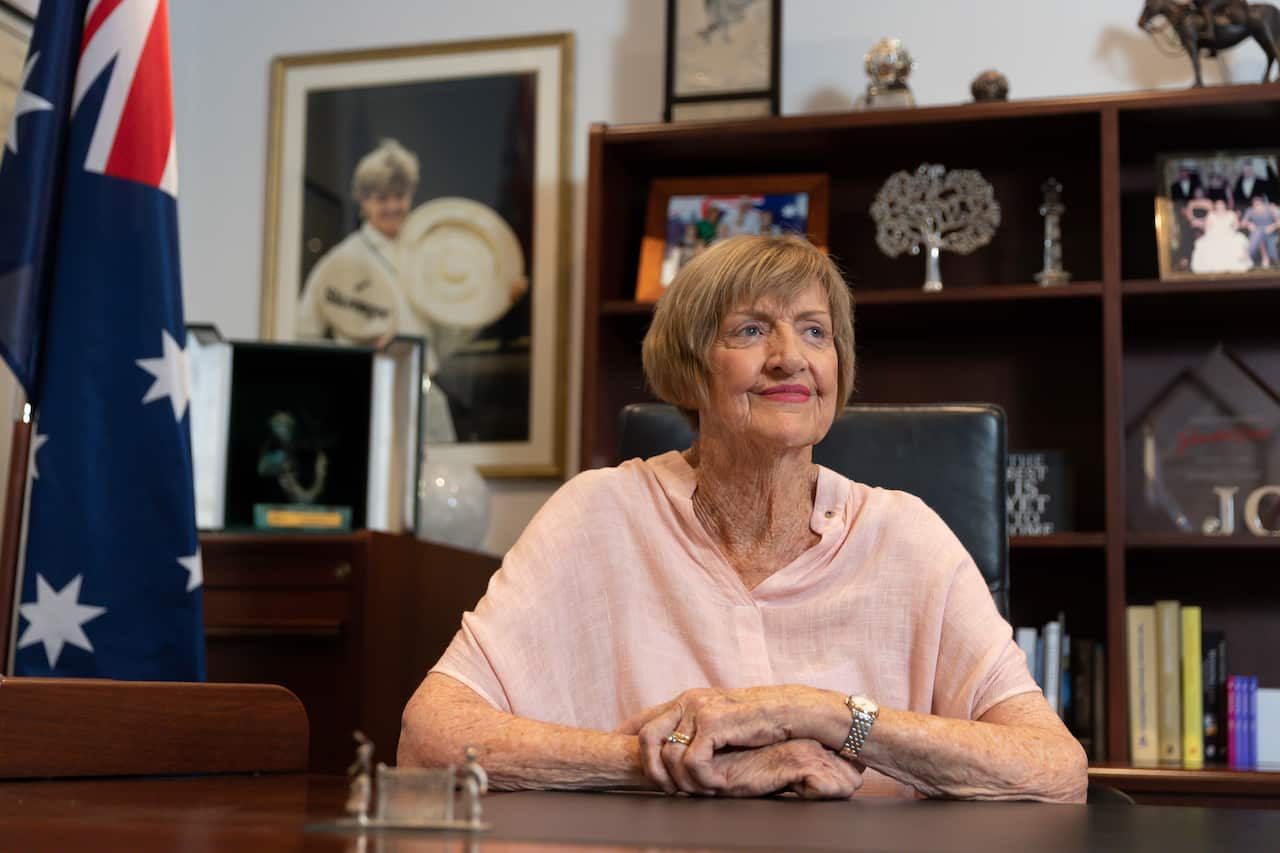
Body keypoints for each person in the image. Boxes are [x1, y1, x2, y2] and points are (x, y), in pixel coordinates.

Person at [399, 234, 1087, 803]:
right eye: (752, 329)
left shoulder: (907, 536)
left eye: (814, 331)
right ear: (691, 367)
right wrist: (682, 762)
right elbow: (427, 739)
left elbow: (1054, 768)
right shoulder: (596, 515)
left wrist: (816, 713)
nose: (791, 355)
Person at [296, 139, 527, 442]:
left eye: (399, 195)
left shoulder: (426, 253)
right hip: (364, 394)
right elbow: (304, 339)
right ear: (362, 200)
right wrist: (356, 355)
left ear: (411, 194)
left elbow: (442, 340)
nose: (392, 206)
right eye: (381, 197)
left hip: (425, 393)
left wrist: (492, 304)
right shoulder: (340, 262)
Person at [1191, 199, 1251, 273]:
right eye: (1218, 204)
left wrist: (1231, 230)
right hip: (1214, 233)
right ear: (1215, 206)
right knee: (1205, 243)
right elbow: (1207, 228)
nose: (1220, 206)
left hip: (1228, 233)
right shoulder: (1211, 214)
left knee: (1237, 241)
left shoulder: (1231, 213)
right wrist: (1210, 231)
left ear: (1225, 205)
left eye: (1221, 204)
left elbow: (1236, 226)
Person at [1242, 196, 1280, 267]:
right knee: (1259, 233)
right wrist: (1249, 224)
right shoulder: (1250, 210)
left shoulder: (1270, 209)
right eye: (1255, 205)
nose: (1257, 207)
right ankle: (1268, 259)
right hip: (1257, 232)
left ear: (1263, 204)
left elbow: (1279, 222)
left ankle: (1247, 254)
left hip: (1270, 232)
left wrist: (1272, 227)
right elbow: (1243, 223)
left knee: (1259, 234)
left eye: (1259, 204)